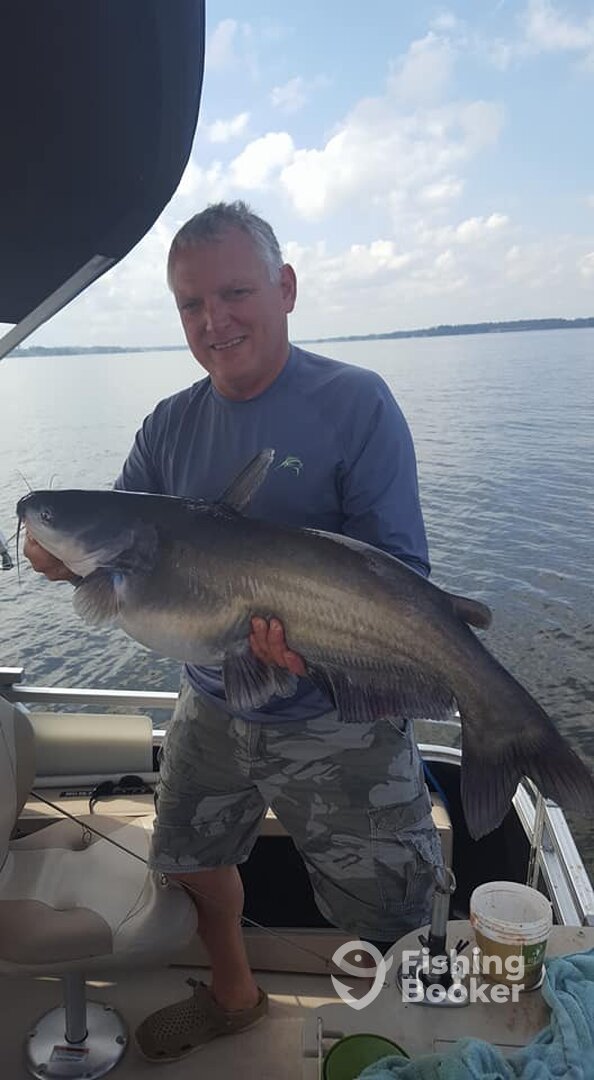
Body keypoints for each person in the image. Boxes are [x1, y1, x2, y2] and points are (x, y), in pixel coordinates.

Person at [24, 200, 444, 1062]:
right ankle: (234, 993)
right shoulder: (169, 426)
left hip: (339, 719)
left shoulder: (355, 404)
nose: (213, 320)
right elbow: (118, 547)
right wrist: (55, 553)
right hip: (213, 701)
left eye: (235, 293)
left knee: (392, 909)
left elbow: (401, 575)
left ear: (285, 288)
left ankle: (396, 1041)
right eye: (189, 304)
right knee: (186, 854)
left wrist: (313, 644)